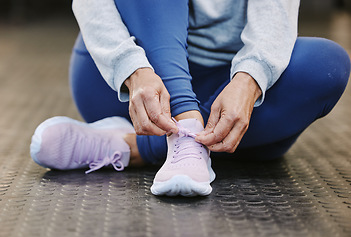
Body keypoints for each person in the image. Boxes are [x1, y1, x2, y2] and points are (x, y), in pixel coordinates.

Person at [30, 0, 350, 197]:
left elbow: (276, 17)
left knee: (327, 64)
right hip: (132, 82)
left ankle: (134, 147)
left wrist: (249, 80)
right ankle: (185, 126)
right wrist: (133, 69)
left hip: (228, 97)